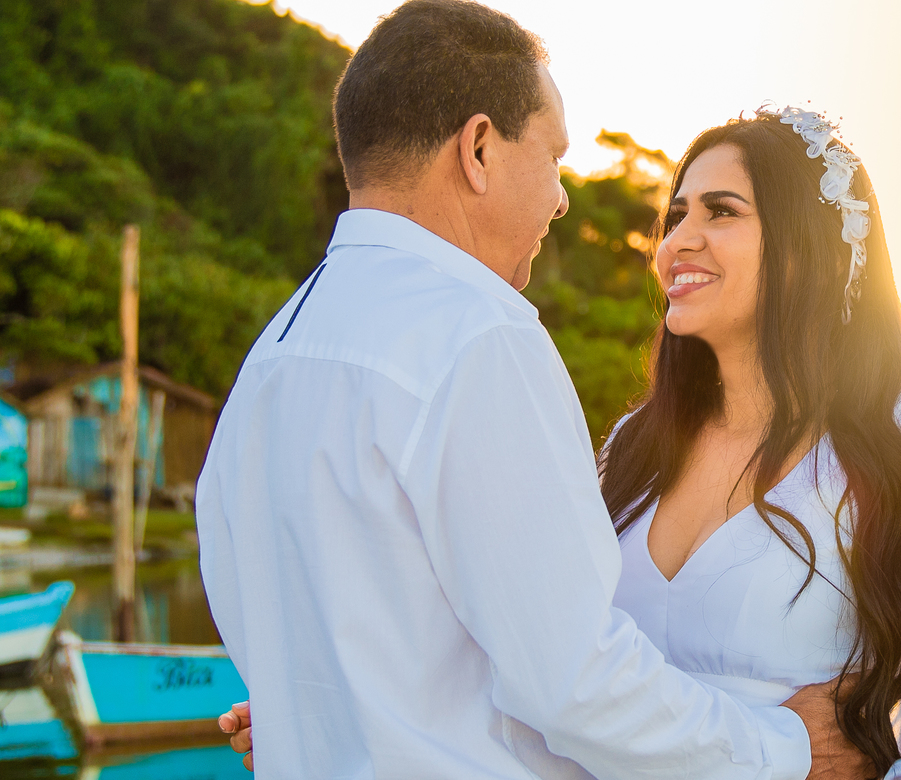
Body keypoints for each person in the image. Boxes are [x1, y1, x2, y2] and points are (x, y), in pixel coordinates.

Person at [217, 103, 901, 778]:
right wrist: (339, 705)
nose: (677, 241)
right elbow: (546, 669)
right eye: (675, 215)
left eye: (721, 212)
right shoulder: (631, 451)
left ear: (810, 251)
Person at [197, 1, 866, 778]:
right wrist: (784, 749)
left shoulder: (273, 355)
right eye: (551, 156)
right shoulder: (478, 336)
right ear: (479, 148)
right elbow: (575, 680)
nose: (561, 197)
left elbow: (300, 648)